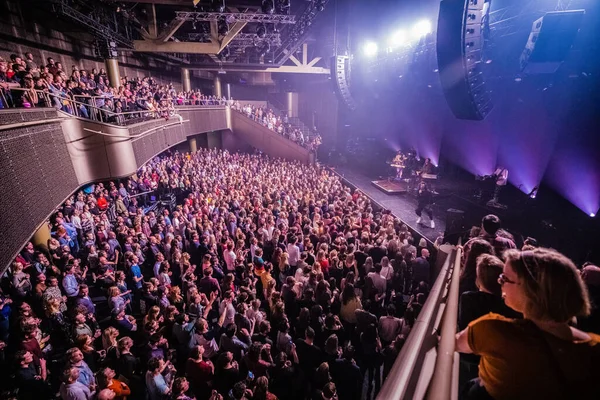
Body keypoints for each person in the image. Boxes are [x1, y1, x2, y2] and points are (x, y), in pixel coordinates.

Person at [456, 248, 600, 399]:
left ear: (530, 290)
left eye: (504, 279)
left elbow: (449, 343)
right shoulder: (595, 349)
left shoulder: (493, 330)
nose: (499, 283)